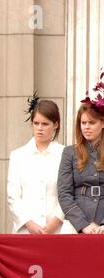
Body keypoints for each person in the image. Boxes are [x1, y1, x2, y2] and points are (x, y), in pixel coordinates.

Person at [7, 95, 76, 234]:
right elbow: (13, 196)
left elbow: (70, 192)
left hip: (60, 230)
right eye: (36, 123)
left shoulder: (67, 154)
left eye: (45, 124)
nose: (40, 128)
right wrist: (30, 224)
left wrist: (55, 222)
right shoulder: (18, 155)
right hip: (26, 231)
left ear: (55, 124)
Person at [58, 76, 104, 234]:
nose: (86, 127)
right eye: (83, 123)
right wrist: (83, 225)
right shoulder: (69, 152)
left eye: (92, 123)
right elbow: (64, 193)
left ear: (103, 123)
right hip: (76, 221)